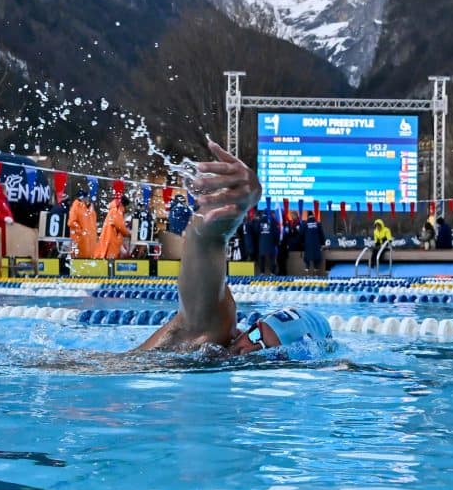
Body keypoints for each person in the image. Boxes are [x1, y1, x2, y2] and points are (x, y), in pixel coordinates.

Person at [137, 140, 332, 358]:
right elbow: (206, 243)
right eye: (255, 335)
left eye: (264, 349)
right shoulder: (214, 332)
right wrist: (229, 211)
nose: (247, 347)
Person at [98, 195, 131, 260]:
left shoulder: (114, 210)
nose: (128, 209)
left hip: (109, 239)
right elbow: (120, 226)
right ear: (124, 205)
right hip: (112, 241)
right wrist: (128, 233)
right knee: (110, 262)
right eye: (128, 206)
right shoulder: (117, 210)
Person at [67, 190, 98, 259]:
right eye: (86, 197)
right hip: (80, 241)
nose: (88, 199)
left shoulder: (90, 208)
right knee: (79, 260)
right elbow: (71, 222)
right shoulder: (76, 207)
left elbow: (93, 224)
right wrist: (81, 232)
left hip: (90, 242)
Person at [254, 208, 279, 275]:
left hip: (262, 242)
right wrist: (277, 242)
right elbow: (276, 232)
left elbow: (256, 231)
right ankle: (272, 272)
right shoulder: (272, 220)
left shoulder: (260, 221)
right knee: (272, 258)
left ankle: (262, 272)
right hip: (271, 243)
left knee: (262, 257)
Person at [302, 209, 326, 277]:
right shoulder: (318, 223)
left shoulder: (305, 224)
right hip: (316, 245)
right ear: (313, 215)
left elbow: (301, 234)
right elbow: (321, 235)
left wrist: (302, 243)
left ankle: (307, 275)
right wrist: (323, 244)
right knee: (316, 260)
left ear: (307, 216)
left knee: (307, 260)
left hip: (308, 245)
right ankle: (316, 275)